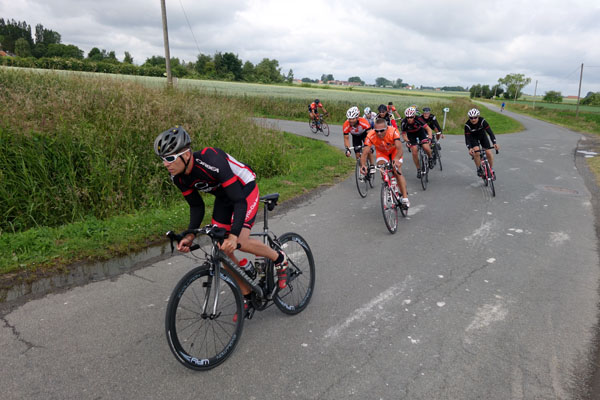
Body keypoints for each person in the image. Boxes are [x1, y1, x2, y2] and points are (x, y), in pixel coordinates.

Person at [154, 126, 289, 312]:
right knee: (221, 248)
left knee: (239, 241)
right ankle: (247, 295)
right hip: (224, 197)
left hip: (244, 190)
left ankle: (279, 258)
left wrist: (233, 235)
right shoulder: (178, 177)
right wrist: (190, 235)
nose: (165, 164)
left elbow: (239, 201)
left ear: (186, 155)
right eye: (163, 159)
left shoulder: (212, 160)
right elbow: (196, 206)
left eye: (170, 159)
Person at [360, 118, 409, 207]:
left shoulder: (393, 131)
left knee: (397, 171)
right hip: (382, 153)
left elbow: (400, 149)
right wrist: (363, 165)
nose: (379, 133)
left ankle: (405, 198)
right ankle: (388, 187)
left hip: (395, 152)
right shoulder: (370, 135)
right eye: (377, 131)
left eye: (382, 130)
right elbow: (365, 153)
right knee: (382, 170)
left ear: (387, 128)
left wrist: (396, 159)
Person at [464, 108, 499, 178]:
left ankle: (491, 169)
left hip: (482, 136)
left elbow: (490, 132)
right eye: (471, 118)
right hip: (473, 138)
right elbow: (467, 138)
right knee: (476, 152)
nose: (473, 119)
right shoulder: (467, 125)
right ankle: (479, 168)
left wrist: (494, 143)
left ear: (478, 117)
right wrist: (470, 148)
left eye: (475, 117)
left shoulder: (482, 121)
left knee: (488, 153)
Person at [400, 107, 433, 178]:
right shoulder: (404, 122)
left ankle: (430, 158)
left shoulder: (419, 119)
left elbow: (428, 129)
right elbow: (404, 134)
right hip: (411, 135)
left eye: (411, 117)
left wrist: (430, 138)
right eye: (408, 117)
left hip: (420, 132)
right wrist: (407, 141)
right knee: (414, 151)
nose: (409, 119)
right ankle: (418, 169)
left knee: (426, 147)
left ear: (414, 116)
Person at [343, 106, 376, 173]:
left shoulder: (363, 121)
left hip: (365, 135)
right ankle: (362, 169)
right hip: (355, 137)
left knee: (368, 149)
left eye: (353, 119)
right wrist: (347, 149)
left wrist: (371, 146)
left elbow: (370, 134)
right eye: (349, 119)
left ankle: (372, 165)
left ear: (357, 117)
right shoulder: (346, 125)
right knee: (357, 155)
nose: (351, 121)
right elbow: (346, 138)